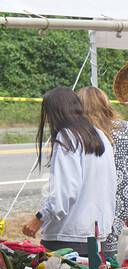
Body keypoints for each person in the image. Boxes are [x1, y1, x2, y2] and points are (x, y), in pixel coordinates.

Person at [21, 88, 115, 254]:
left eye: (49, 114)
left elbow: (64, 192)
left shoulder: (68, 137)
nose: (48, 120)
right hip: (96, 233)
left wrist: (39, 218)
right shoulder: (99, 135)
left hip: (67, 236)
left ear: (56, 112)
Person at [77, 86, 128, 258]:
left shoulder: (81, 134)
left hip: (98, 207)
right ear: (106, 104)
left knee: (105, 264)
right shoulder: (126, 129)